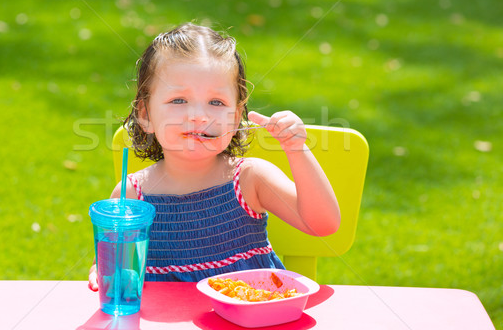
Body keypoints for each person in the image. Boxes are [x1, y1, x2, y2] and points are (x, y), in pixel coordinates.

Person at [89, 23, 340, 288]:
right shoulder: (131, 195)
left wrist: (297, 149)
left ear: (235, 117)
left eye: (216, 102)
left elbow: (322, 224)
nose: (198, 115)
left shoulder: (250, 179)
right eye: (178, 100)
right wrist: (102, 269)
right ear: (145, 115)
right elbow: (113, 266)